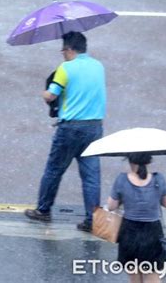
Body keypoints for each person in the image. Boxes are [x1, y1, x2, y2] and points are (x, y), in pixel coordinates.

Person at [25, 31, 106, 233]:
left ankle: (43, 210)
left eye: (63, 50)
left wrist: (44, 93)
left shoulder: (65, 68)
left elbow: (52, 95)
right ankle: (92, 219)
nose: (62, 54)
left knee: (54, 169)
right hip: (94, 127)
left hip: (70, 128)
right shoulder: (98, 66)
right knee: (91, 176)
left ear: (69, 49)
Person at [107, 153, 166, 283]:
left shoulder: (121, 180)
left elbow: (111, 206)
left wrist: (122, 199)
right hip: (152, 232)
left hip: (129, 233)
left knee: (134, 276)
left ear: (129, 160)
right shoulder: (158, 179)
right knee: (152, 274)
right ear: (149, 160)